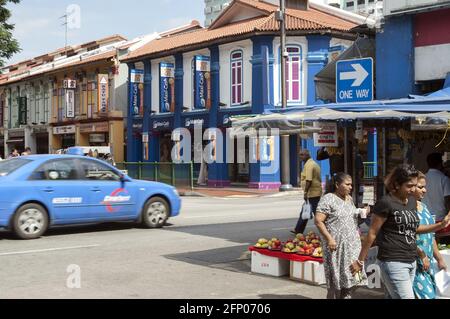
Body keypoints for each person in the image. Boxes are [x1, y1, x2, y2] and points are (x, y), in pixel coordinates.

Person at [350, 164, 450, 299]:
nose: (413, 189)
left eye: (415, 185)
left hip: (411, 261)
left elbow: (414, 229)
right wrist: (360, 261)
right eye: (409, 186)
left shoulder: (410, 202)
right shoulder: (386, 203)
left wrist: (440, 225)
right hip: (393, 261)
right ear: (396, 184)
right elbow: (372, 233)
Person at [315, 172, 369, 299]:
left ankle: (347, 295)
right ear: (337, 184)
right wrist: (329, 239)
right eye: (347, 184)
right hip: (336, 247)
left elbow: (351, 219)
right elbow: (318, 221)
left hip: (353, 246)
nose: (351, 187)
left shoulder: (349, 198)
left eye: (351, 185)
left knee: (356, 278)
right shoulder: (328, 198)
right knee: (336, 284)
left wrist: (363, 213)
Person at [413, 172, 448, 299]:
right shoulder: (406, 210)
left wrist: (439, 259)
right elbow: (406, 236)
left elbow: (430, 236)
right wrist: (421, 255)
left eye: (424, 187)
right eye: (420, 187)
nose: (425, 190)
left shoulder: (424, 207)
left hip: (426, 266)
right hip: (413, 265)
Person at [293, 149, 323, 234]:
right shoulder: (310, 163)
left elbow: (308, 180)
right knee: (305, 210)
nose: (300, 157)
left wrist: (305, 193)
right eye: (300, 155)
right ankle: (298, 230)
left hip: (312, 193)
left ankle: (326, 228)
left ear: (307, 155)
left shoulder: (309, 165)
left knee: (316, 213)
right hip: (314, 192)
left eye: (302, 155)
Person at [422, 153, 450, 221]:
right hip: (441, 219)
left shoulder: (422, 178)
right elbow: (448, 200)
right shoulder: (444, 179)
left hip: (425, 218)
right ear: (440, 164)